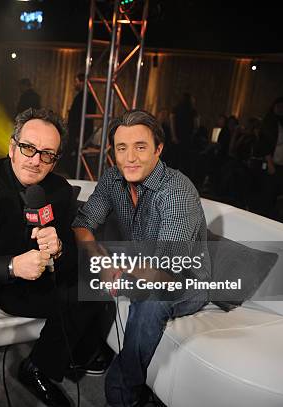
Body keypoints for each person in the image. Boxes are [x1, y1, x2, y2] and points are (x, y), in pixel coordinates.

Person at [0, 108, 106, 407]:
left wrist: (61, 248)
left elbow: (69, 263)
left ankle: (38, 367)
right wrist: (12, 266)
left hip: (31, 287)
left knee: (91, 291)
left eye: (47, 154)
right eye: (28, 148)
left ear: (54, 160)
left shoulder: (61, 192)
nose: (35, 160)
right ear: (12, 147)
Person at [72, 110, 210, 407]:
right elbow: (83, 224)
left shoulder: (177, 191)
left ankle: (123, 397)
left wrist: (124, 271)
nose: (130, 157)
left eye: (141, 147)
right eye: (122, 148)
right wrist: (102, 260)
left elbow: (168, 271)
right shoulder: (113, 179)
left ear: (159, 149)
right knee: (81, 261)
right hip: (140, 261)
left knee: (150, 300)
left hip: (184, 279)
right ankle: (85, 350)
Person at [64, 73, 97, 178]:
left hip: (80, 133)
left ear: (82, 82)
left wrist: (78, 134)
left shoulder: (85, 97)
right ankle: (77, 175)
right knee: (76, 156)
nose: (75, 84)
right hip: (80, 132)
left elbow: (82, 118)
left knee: (75, 156)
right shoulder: (86, 96)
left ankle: (77, 176)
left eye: (76, 82)